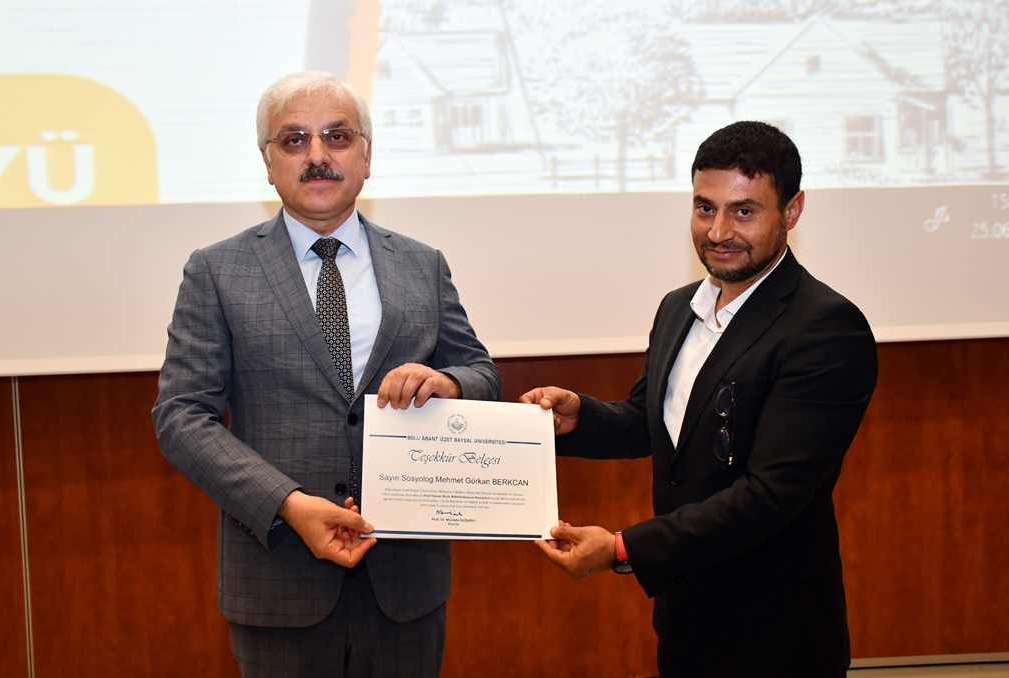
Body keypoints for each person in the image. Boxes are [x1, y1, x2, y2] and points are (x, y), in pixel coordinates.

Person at [152, 71, 500, 678]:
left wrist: (451, 385)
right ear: (268, 162)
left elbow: (480, 373)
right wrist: (286, 504)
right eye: (294, 140)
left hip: (405, 585)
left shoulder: (422, 264)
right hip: (278, 575)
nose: (317, 155)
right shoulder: (216, 270)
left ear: (367, 155)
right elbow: (181, 416)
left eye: (337, 137)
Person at [521, 121, 878, 678]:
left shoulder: (826, 328)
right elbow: (653, 422)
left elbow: (768, 496)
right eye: (704, 208)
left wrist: (622, 549)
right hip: (685, 621)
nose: (718, 231)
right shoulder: (678, 307)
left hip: (775, 636)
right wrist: (578, 419)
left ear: (792, 210)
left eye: (744, 211)